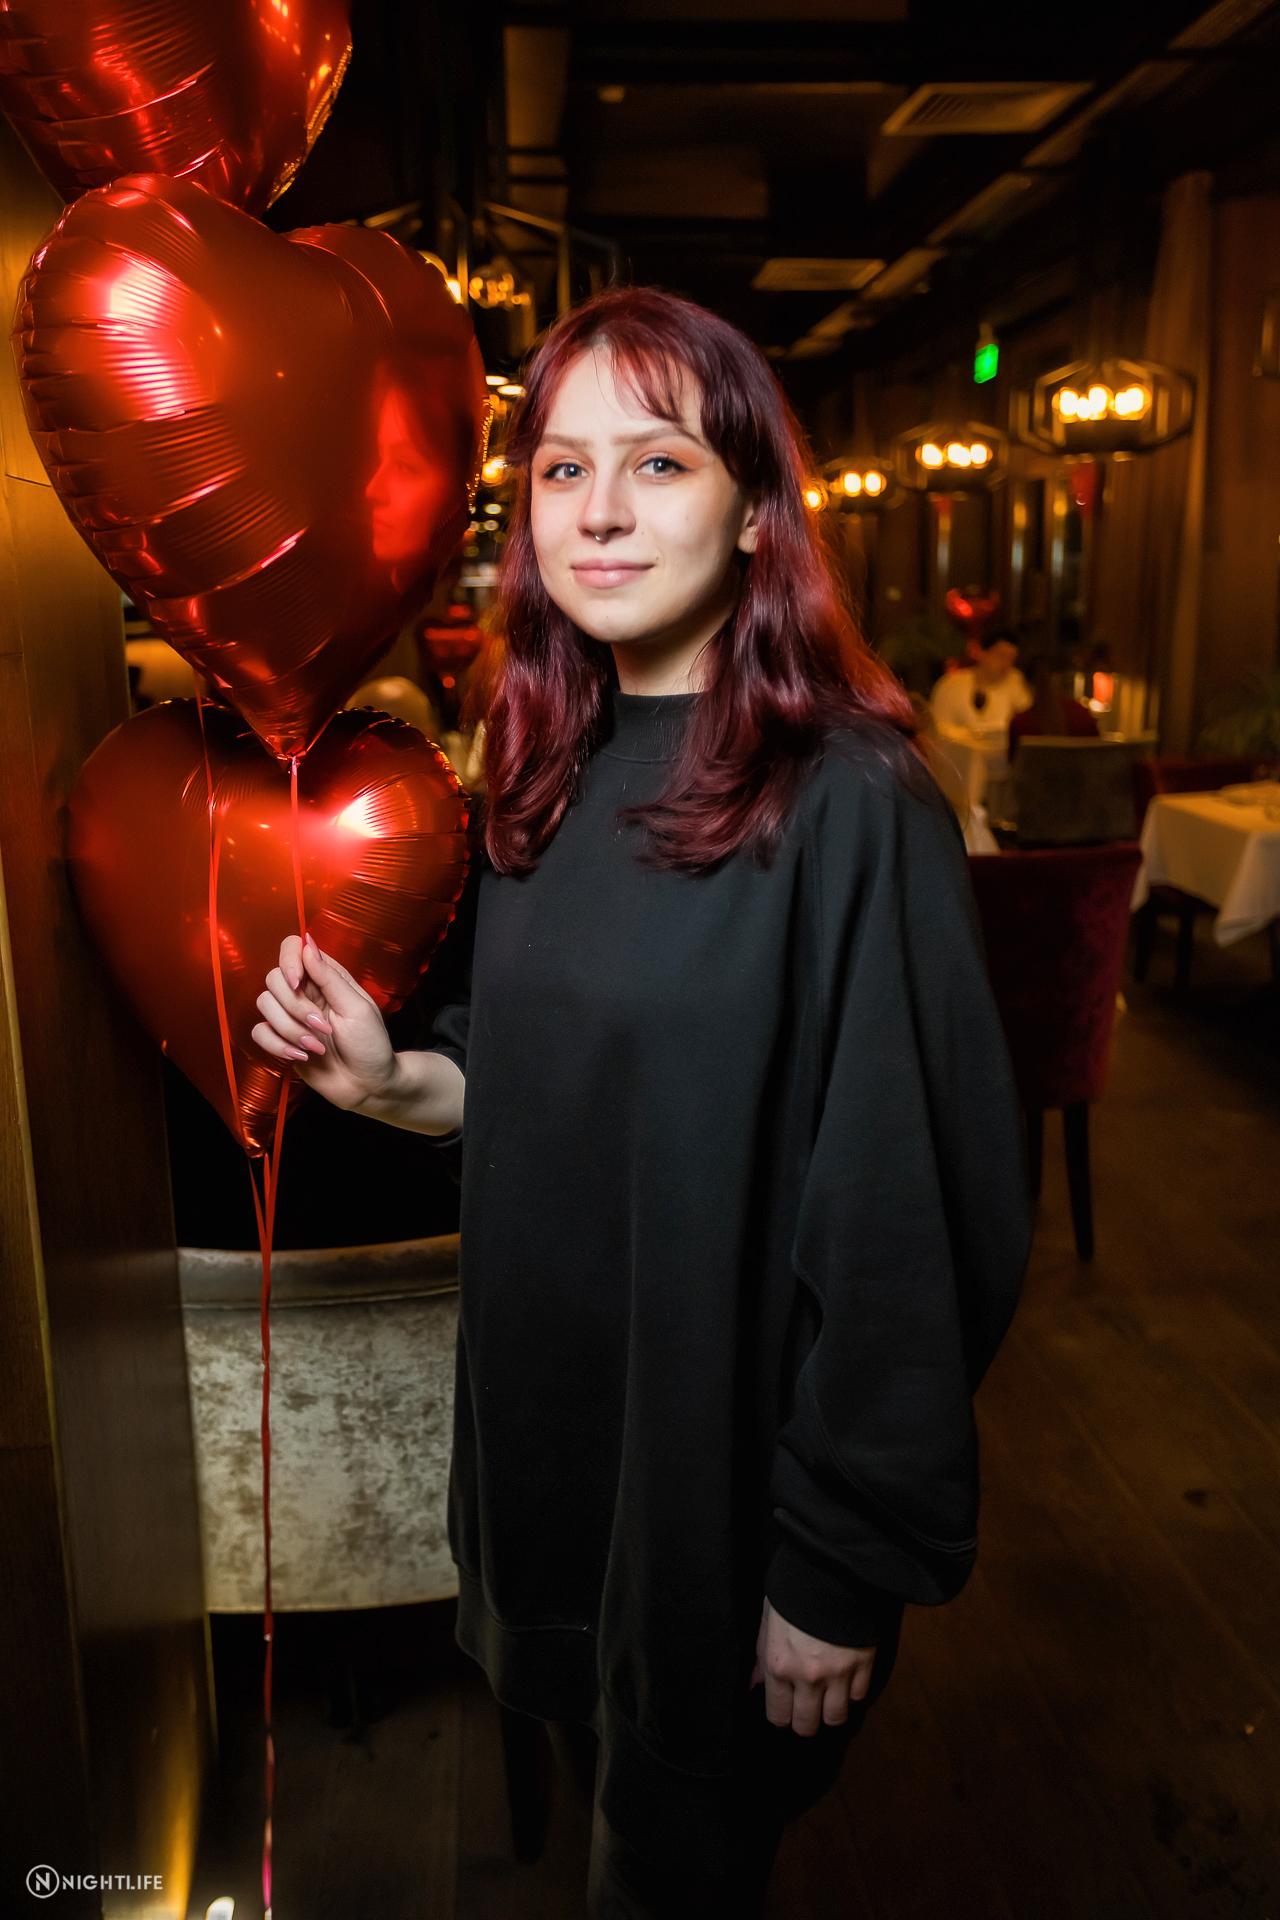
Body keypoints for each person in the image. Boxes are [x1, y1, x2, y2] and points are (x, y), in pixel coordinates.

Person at [251, 286, 1033, 1916]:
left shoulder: (854, 800)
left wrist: (838, 1563)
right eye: (562, 468)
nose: (598, 510)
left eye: (659, 462)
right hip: (563, 1481)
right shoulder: (545, 764)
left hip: (720, 1518)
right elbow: (549, 1090)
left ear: (755, 513)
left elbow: (914, 1215)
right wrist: (394, 1080)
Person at [930, 626, 1033, 734]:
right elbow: (939, 729)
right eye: (1001, 656)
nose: (1006, 664)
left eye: (1011, 659)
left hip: (1000, 744)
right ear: (982, 653)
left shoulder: (1015, 681)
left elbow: (1026, 722)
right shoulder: (951, 685)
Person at [1007, 650, 1100, 760]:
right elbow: (1097, 757)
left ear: (1027, 684)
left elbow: (1014, 764)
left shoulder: (1021, 724)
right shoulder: (1082, 715)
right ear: (1058, 679)